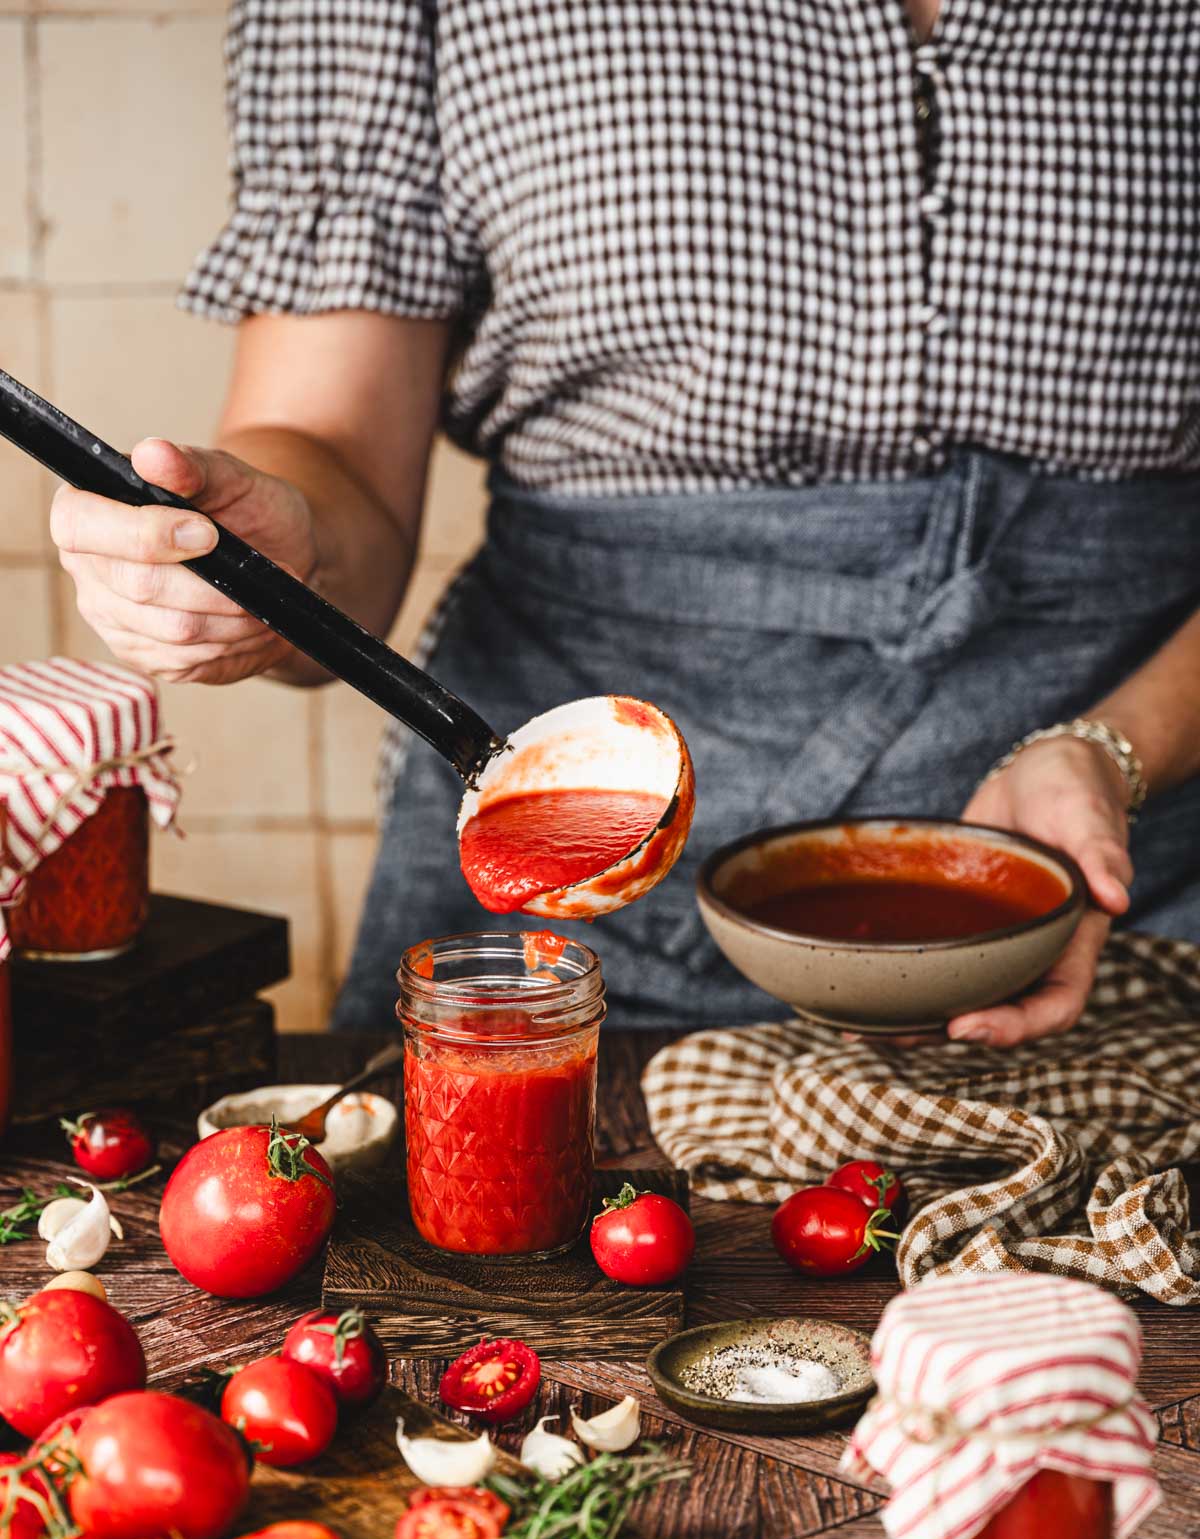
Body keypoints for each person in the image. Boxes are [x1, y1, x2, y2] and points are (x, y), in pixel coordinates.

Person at [51, 0, 1200, 1041]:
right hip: (566, 858)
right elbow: (333, 444)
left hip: (1113, 866)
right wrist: (274, 557)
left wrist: (1117, 747)